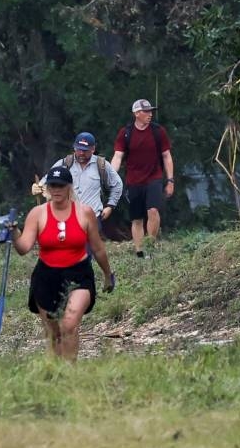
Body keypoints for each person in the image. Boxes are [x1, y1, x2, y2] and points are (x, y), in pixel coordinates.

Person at [10, 166, 114, 360]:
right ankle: (55, 375)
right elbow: (24, 248)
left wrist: (108, 275)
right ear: (47, 188)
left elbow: (98, 248)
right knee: (54, 333)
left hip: (78, 274)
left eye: (61, 186)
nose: (56, 190)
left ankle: (70, 373)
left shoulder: (85, 213)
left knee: (69, 323)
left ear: (69, 188)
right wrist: (15, 234)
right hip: (46, 276)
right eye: (52, 186)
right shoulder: (37, 213)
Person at [110, 99, 174, 258]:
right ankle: (140, 252)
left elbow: (166, 156)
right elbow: (118, 156)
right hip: (133, 180)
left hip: (154, 177)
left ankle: (150, 247)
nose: (150, 114)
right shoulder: (125, 133)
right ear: (137, 113)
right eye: (146, 111)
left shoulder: (158, 131)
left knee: (153, 210)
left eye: (151, 111)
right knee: (137, 218)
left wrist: (171, 180)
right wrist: (111, 176)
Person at [39, 132, 123, 224]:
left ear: (93, 149)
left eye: (85, 150)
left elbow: (117, 185)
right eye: (79, 149)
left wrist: (110, 206)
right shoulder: (65, 163)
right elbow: (48, 180)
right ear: (74, 148)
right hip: (67, 217)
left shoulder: (102, 165)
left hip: (92, 217)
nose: (81, 153)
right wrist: (39, 186)